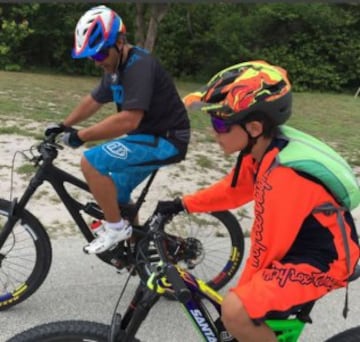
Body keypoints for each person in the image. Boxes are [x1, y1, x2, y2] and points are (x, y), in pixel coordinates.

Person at [156, 60, 360, 341]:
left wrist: (237, 307)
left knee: (236, 312)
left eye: (219, 123)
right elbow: (233, 190)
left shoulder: (283, 176)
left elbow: (265, 249)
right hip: (297, 247)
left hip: (324, 260)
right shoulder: (262, 151)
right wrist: (183, 203)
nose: (213, 132)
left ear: (253, 127)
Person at [45, 5, 190, 254]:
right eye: (91, 56)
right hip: (147, 137)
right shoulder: (115, 68)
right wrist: (64, 125)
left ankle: (116, 228)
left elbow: (128, 121)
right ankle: (139, 254)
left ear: (120, 42)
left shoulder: (139, 66)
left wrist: (81, 136)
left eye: (100, 54)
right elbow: (94, 100)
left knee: (91, 163)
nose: (96, 61)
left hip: (167, 139)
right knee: (116, 191)